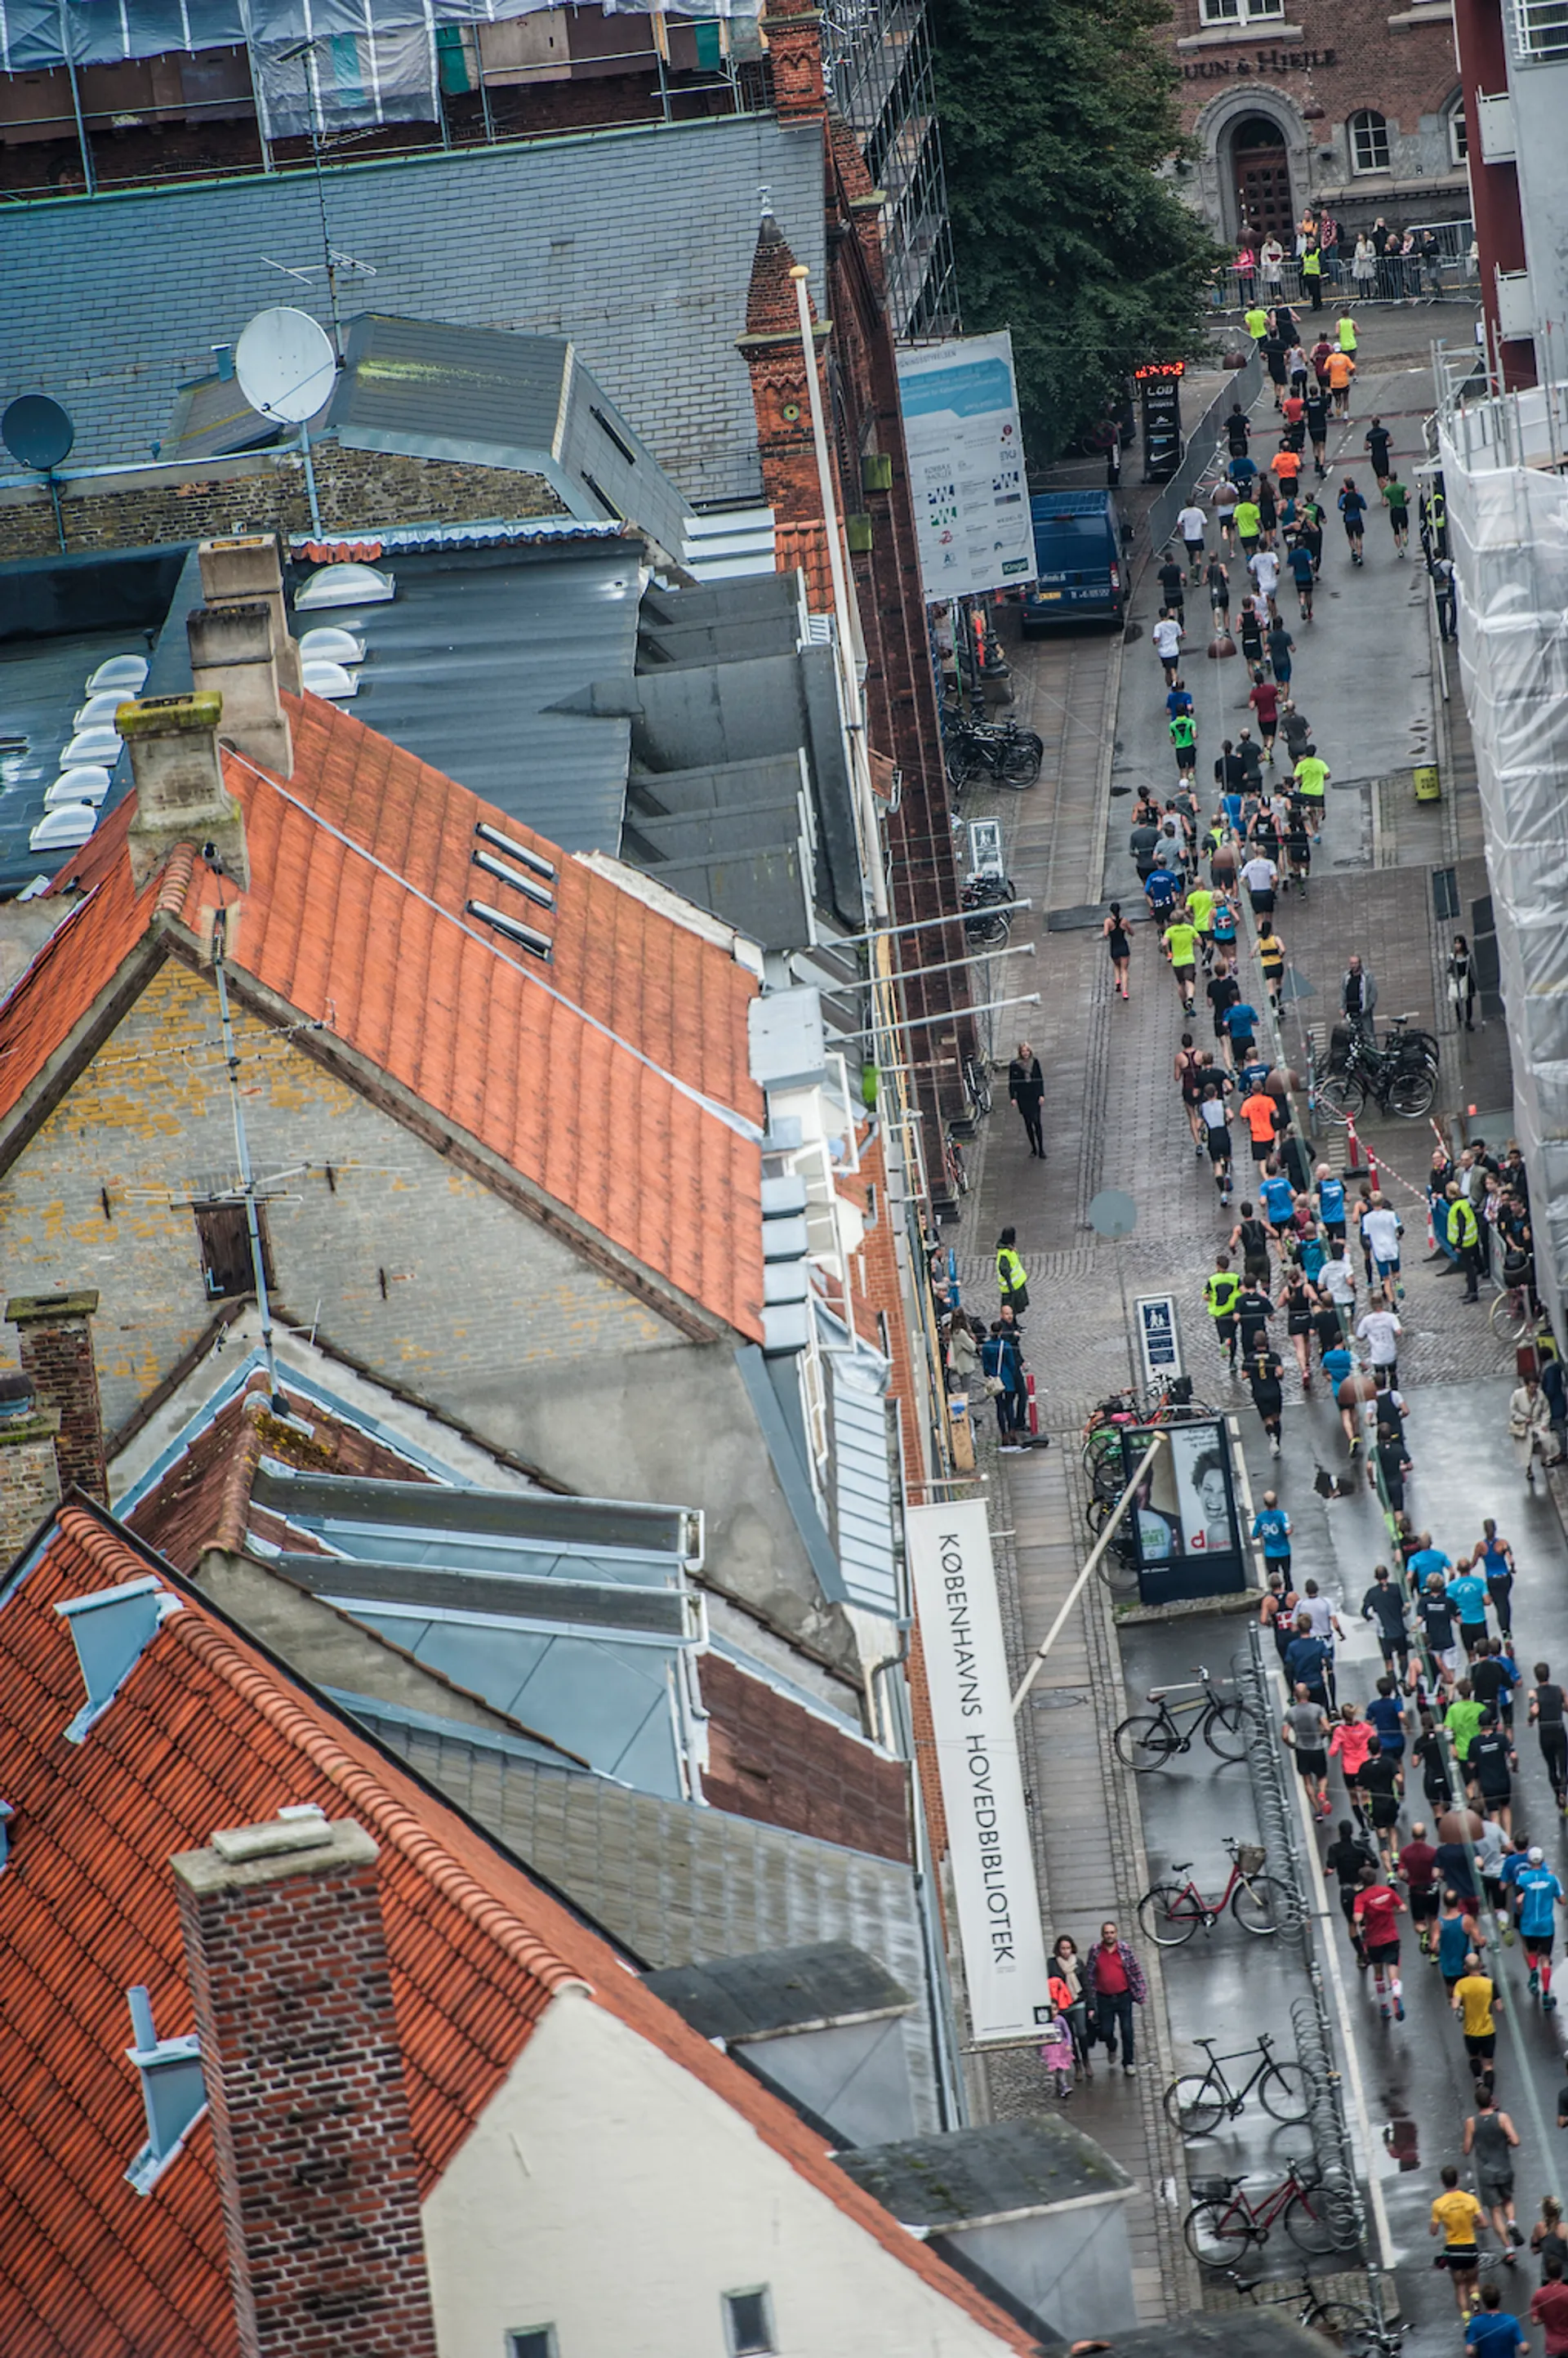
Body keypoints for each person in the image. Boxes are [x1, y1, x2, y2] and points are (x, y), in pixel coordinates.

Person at [1085, 1921, 1147, 2074]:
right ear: (1102, 1935)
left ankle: (1128, 2062)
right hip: (1104, 1998)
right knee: (1106, 2031)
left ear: (1116, 1934)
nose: (1109, 1936)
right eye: (1106, 1933)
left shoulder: (1125, 1950)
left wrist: (1140, 1991)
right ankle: (1112, 2046)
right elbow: (1089, 1975)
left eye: (1112, 1932)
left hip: (1123, 1996)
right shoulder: (1095, 1951)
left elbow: (1135, 1971)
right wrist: (1090, 1998)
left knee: (1127, 2030)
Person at [1354, 1861, 1405, 2016]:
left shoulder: (1361, 1898)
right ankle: (1396, 1995)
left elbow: (1357, 1918)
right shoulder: (1387, 1891)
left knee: (1378, 1973)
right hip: (1391, 1936)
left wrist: (1364, 1915)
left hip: (1374, 1940)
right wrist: (1391, 1912)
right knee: (1393, 1969)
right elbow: (1403, 1908)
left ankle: (1384, 2006)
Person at [1516, 1846, 1562, 2008]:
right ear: (1542, 1860)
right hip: (1546, 1925)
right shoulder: (1551, 1879)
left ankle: (1534, 1971)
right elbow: (1563, 1901)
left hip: (1528, 1924)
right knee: (1546, 1958)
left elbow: (1518, 1903)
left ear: (1529, 1861)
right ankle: (1546, 1994)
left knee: (1532, 1952)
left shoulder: (1521, 1880)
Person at [1453, 1950, 1500, 2092]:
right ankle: (1489, 2094)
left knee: (1473, 2057)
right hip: (1488, 2030)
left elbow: (1455, 2005)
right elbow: (1499, 2007)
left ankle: (1478, 2080)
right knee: (1488, 2065)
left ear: (1465, 1968)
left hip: (1470, 2031)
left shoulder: (1461, 1984)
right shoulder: (1490, 1983)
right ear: (1480, 1965)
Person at [1326, 1816, 1376, 1952]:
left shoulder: (1334, 1849)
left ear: (1339, 1832)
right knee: (1366, 1918)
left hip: (1347, 1890)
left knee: (1352, 1923)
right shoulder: (1361, 1846)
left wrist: (1326, 1872)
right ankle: (1369, 1941)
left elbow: (1330, 1868)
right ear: (1352, 1831)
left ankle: (1360, 1953)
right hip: (1363, 1888)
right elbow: (1375, 1862)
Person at [1051, 1934, 1093, 2080]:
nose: (1066, 1951)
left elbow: (1086, 1983)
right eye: (1063, 1948)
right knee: (1069, 2036)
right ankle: (1077, 2064)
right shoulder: (1053, 1965)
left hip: (1078, 2002)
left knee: (1082, 2032)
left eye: (1068, 1948)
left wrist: (1090, 2004)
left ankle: (1086, 2061)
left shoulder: (1078, 1963)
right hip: (1063, 2005)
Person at [1530, 1665, 1568, 1816]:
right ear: (1549, 1674)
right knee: (1563, 1767)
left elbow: (1534, 1710)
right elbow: (1567, 1706)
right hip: (1558, 1729)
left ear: (1536, 1677)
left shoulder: (1534, 1692)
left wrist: (1530, 1719)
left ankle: (1557, 1794)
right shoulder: (1559, 1690)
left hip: (1545, 1732)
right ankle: (1563, 1792)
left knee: (1551, 1767)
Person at [1363, 1566, 1410, 1682]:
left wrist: (1371, 1618)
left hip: (1384, 1634)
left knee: (1388, 1662)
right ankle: (1403, 1678)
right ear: (1388, 1575)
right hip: (1399, 1631)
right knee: (1403, 1657)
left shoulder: (1372, 1593)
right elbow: (1407, 1606)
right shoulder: (1397, 1588)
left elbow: (1364, 1611)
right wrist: (1402, 1614)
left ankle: (1393, 1685)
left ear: (1376, 1577)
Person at [1400, 1820, 1440, 1953]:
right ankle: (1434, 1948)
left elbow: (1401, 1874)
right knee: (1433, 1919)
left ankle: (1423, 1933)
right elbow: (1436, 1872)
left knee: (1419, 1922)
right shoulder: (1432, 1852)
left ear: (1412, 1835)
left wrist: (1410, 1880)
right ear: (1425, 1835)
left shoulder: (1405, 1852)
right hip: (1432, 1888)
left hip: (1416, 1890)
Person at [1243, 1337, 1285, 1456]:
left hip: (1259, 1393)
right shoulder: (1274, 1356)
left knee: (1267, 1419)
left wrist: (1252, 1374)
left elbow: (1244, 1375)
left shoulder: (1249, 1357)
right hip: (1274, 1391)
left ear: (1254, 1343)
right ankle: (1278, 1443)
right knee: (1276, 1418)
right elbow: (1280, 1372)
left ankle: (1272, 1436)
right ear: (1267, 1342)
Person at [1467, 2280, 1527, 2357]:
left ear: (1484, 2301)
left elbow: (1469, 2351)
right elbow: (1524, 2349)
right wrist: (1527, 2346)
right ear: (1499, 2299)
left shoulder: (1475, 2322)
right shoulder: (1511, 2320)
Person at [1007, 1042, 1045, 1159]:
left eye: (1027, 1051)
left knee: (1037, 1122)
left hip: (1034, 1096)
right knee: (1028, 1123)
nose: (1025, 1053)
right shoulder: (1014, 1065)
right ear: (1020, 1052)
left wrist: (1041, 1095)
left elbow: (1040, 1079)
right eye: (1023, 1051)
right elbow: (1012, 1083)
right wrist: (1013, 1097)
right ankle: (1034, 1148)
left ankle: (1041, 1149)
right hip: (1023, 1097)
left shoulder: (1035, 1062)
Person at [1531, 2260, 1568, 2358]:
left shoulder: (1539, 2294)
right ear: (1562, 2273)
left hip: (1552, 2346)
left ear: (1547, 2274)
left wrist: (1546, 2317)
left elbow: (1535, 2321)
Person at [996, 1228, 1029, 1322]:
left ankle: (1014, 1324)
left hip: (1016, 1284)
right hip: (1010, 1287)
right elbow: (1004, 1271)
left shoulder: (1009, 1249)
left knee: (1015, 1308)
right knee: (1010, 1309)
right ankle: (1010, 1325)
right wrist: (1010, 1287)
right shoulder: (1005, 1254)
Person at [1449, 934, 1479, 1031]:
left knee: (1468, 1001)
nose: (1457, 945)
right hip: (1458, 981)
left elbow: (1473, 969)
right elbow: (1449, 969)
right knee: (1458, 1001)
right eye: (1456, 943)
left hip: (1468, 980)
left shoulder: (1468, 956)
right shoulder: (1452, 956)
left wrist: (1476, 982)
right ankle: (1459, 1019)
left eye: (1459, 943)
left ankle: (1468, 1021)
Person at [1103, 902, 1132, 1001]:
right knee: (1124, 969)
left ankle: (1117, 981)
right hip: (1123, 946)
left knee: (1116, 965)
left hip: (1114, 947)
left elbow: (1105, 934)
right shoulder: (1124, 921)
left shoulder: (1108, 921)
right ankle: (1125, 992)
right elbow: (1131, 932)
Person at [1338, 475, 1368, 564]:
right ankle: (1359, 555)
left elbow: (1339, 506)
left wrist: (1345, 510)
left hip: (1348, 519)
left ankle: (1353, 550)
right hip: (1357, 518)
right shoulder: (1359, 496)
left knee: (1350, 537)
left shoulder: (1344, 497)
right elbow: (1364, 507)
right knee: (1359, 537)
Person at [1176, 499, 1208, 582]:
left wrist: (1181, 532)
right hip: (1198, 537)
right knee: (1198, 557)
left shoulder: (1183, 512)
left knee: (1191, 554)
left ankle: (1192, 565)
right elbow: (1205, 522)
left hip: (1188, 537)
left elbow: (1179, 523)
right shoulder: (1199, 511)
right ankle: (1197, 577)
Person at [1383, 472, 1410, 556]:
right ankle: (1404, 535)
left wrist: (1387, 504)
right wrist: (1406, 500)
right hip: (1402, 508)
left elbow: (1384, 502)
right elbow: (1408, 495)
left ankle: (1400, 550)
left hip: (1394, 510)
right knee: (1404, 527)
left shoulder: (1387, 490)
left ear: (1389, 479)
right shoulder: (1402, 487)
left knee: (1396, 531)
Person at [1152, 608, 1183, 683]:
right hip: (1174, 651)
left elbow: (1156, 639)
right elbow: (1181, 635)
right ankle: (1175, 684)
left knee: (1168, 670)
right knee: (1173, 670)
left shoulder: (1158, 626)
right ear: (1168, 614)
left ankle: (1170, 685)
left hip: (1164, 653)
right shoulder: (1175, 624)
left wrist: (1155, 641)